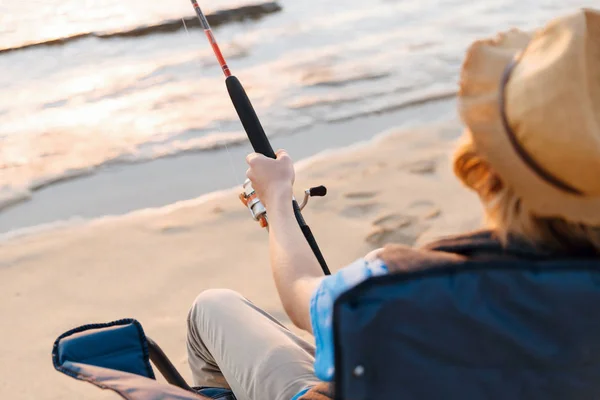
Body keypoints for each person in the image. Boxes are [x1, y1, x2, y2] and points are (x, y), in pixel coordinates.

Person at [186, 8, 600, 400]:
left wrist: (277, 200)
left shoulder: (399, 287)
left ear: (486, 167)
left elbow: (300, 295)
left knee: (211, 308)